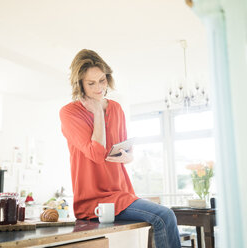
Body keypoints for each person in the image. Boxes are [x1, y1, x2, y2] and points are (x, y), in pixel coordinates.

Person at [59, 49, 181, 248]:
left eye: (102, 80)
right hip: (94, 202)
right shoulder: (69, 113)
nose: (99, 88)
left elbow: (127, 151)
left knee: (164, 217)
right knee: (165, 215)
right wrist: (98, 111)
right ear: (79, 84)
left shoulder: (116, 108)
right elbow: (97, 155)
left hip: (122, 193)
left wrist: (128, 157)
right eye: (91, 83)